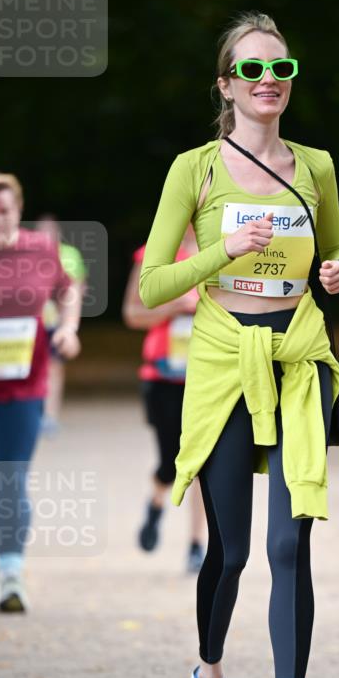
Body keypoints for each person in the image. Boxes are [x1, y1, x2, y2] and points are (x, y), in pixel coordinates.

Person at [139, 12, 339, 678]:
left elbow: (335, 250)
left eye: (281, 71)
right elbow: (153, 283)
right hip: (225, 362)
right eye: (253, 71)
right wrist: (220, 250)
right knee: (226, 553)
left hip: (296, 360)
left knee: (290, 543)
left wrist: (337, 273)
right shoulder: (193, 170)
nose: (269, 82)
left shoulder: (316, 167)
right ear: (227, 85)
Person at [0, 172, 82, 611]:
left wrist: (68, 328)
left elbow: (69, 292)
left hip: (25, 386)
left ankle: (12, 574)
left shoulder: (40, 249)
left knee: (7, 478)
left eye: (5, 210)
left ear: (18, 211)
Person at [122, 225, 208, 573]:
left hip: (209, 376)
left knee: (204, 462)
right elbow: (132, 314)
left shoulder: (228, 248)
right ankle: (156, 505)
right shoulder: (154, 254)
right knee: (170, 462)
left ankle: (196, 545)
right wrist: (174, 307)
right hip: (163, 375)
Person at [35, 215, 88, 436]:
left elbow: (79, 286)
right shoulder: (25, 254)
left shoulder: (69, 254)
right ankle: (33, 414)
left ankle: (50, 416)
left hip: (56, 321)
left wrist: (68, 315)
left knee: (55, 368)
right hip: (34, 322)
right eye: (41, 231)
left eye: (50, 231)